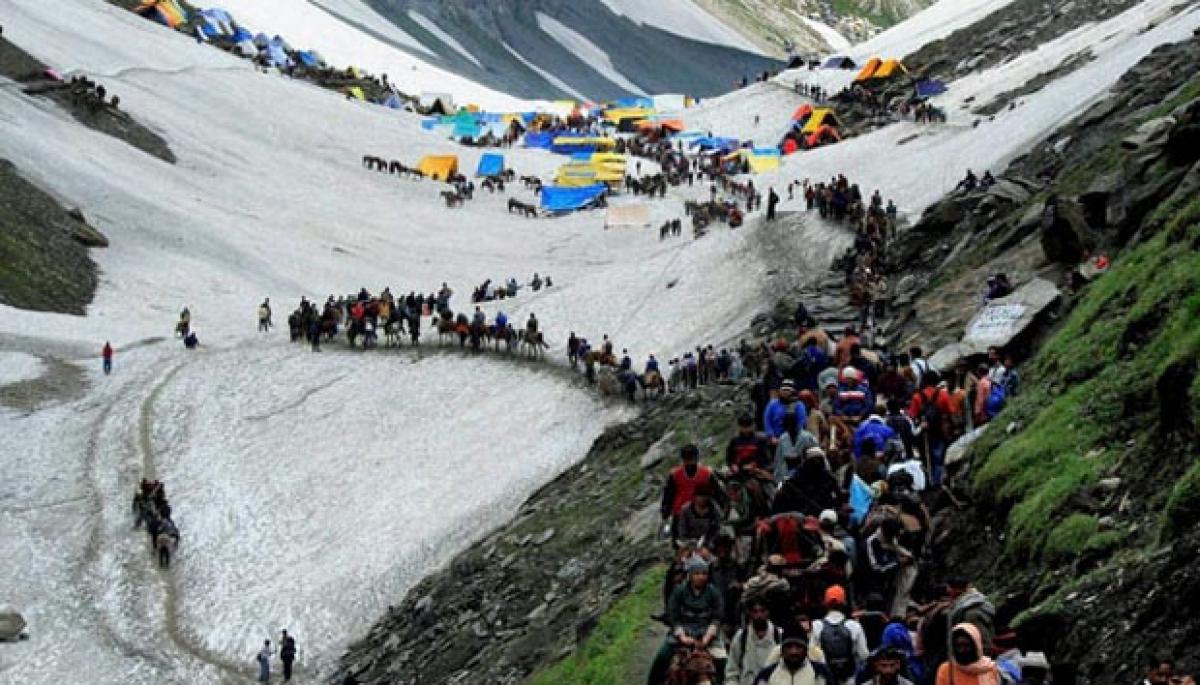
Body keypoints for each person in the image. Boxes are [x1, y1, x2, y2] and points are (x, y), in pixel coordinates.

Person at [647, 556, 726, 685]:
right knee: (662, 657)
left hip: (707, 633)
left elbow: (717, 617)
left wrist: (707, 637)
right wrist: (682, 636)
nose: (701, 577)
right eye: (697, 573)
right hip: (683, 632)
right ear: (690, 575)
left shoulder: (714, 593)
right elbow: (673, 616)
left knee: (723, 662)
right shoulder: (679, 591)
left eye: (704, 573)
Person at [810, 585, 868, 685]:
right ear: (844, 603)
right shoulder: (855, 626)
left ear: (825, 603)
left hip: (824, 680)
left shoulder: (816, 626)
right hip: (850, 679)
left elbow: (812, 656)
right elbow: (864, 656)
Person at [752, 624, 833, 684]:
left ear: (806, 650)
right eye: (789, 647)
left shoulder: (821, 673)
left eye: (798, 647)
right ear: (782, 650)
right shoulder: (766, 675)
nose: (793, 652)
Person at [727, 601, 782, 685]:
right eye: (755, 611)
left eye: (762, 611)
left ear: (768, 612)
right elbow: (732, 671)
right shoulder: (741, 637)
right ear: (749, 613)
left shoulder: (779, 635)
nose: (759, 615)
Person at [936, 624, 1001, 685]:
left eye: (966, 645)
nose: (962, 650)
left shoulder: (989, 668)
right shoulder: (946, 670)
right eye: (958, 646)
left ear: (976, 646)